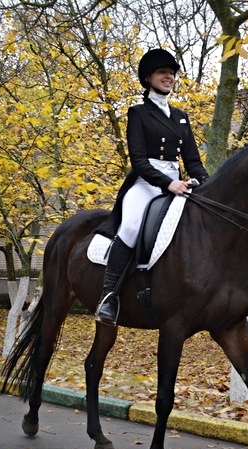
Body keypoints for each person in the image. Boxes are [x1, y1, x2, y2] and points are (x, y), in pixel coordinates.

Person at [94, 48, 209, 326]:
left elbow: (192, 160)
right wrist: (168, 183)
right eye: (163, 73)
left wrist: (205, 183)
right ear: (148, 78)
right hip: (147, 182)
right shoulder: (138, 113)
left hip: (178, 183)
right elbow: (138, 160)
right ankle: (109, 297)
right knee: (131, 225)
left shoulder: (181, 116)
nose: (169, 77)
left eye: (171, 73)